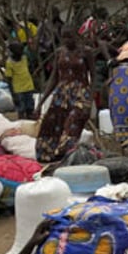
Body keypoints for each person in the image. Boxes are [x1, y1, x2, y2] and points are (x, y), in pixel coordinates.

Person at [35, 28, 93, 163]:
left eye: (70, 37)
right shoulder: (60, 53)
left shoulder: (86, 52)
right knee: (50, 123)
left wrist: (90, 100)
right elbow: (54, 78)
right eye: (64, 38)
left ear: (76, 37)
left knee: (72, 124)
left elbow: (93, 76)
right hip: (62, 93)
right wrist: (40, 103)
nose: (68, 41)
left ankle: (64, 154)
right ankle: (49, 156)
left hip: (80, 92)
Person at [5, 42, 35, 120]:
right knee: (21, 109)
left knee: (30, 107)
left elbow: (29, 68)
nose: (21, 53)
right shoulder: (9, 63)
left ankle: (30, 121)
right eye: (19, 51)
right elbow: (9, 79)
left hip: (28, 86)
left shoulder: (24, 58)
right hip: (18, 89)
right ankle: (22, 123)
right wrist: (13, 94)